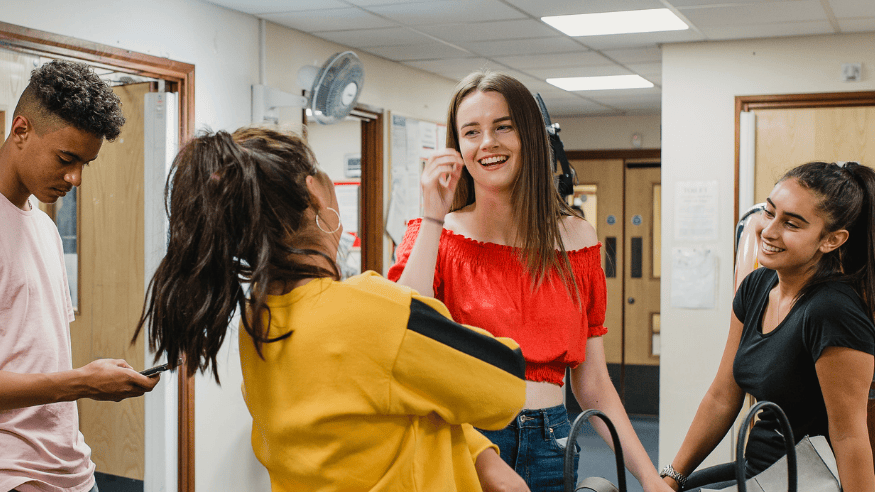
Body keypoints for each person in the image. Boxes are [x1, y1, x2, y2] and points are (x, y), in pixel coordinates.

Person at [134, 127, 532, 492]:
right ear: (316, 194)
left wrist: (479, 454)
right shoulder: (371, 310)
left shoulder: (260, 319)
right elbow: (505, 385)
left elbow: (393, 397)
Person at [387, 70, 670, 492]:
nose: (488, 143)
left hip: (552, 441)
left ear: (531, 137)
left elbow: (592, 384)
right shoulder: (436, 236)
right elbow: (401, 336)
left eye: (503, 126)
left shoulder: (577, 241)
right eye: (471, 132)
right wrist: (432, 216)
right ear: (457, 148)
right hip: (468, 440)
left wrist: (649, 477)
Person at [663, 161, 875, 492]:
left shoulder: (833, 310)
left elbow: (849, 436)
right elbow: (722, 396)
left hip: (807, 477)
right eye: (769, 212)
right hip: (758, 467)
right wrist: (672, 478)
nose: (768, 230)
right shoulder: (756, 287)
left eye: (791, 224)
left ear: (831, 240)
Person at [0, 60, 160, 492]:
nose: (75, 178)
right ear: (21, 131)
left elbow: (35, 356)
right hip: (16, 475)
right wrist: (83, 382)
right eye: (67, 158)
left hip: (72, 467)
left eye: (85, 164)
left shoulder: (45, 228)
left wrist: (85, 381)